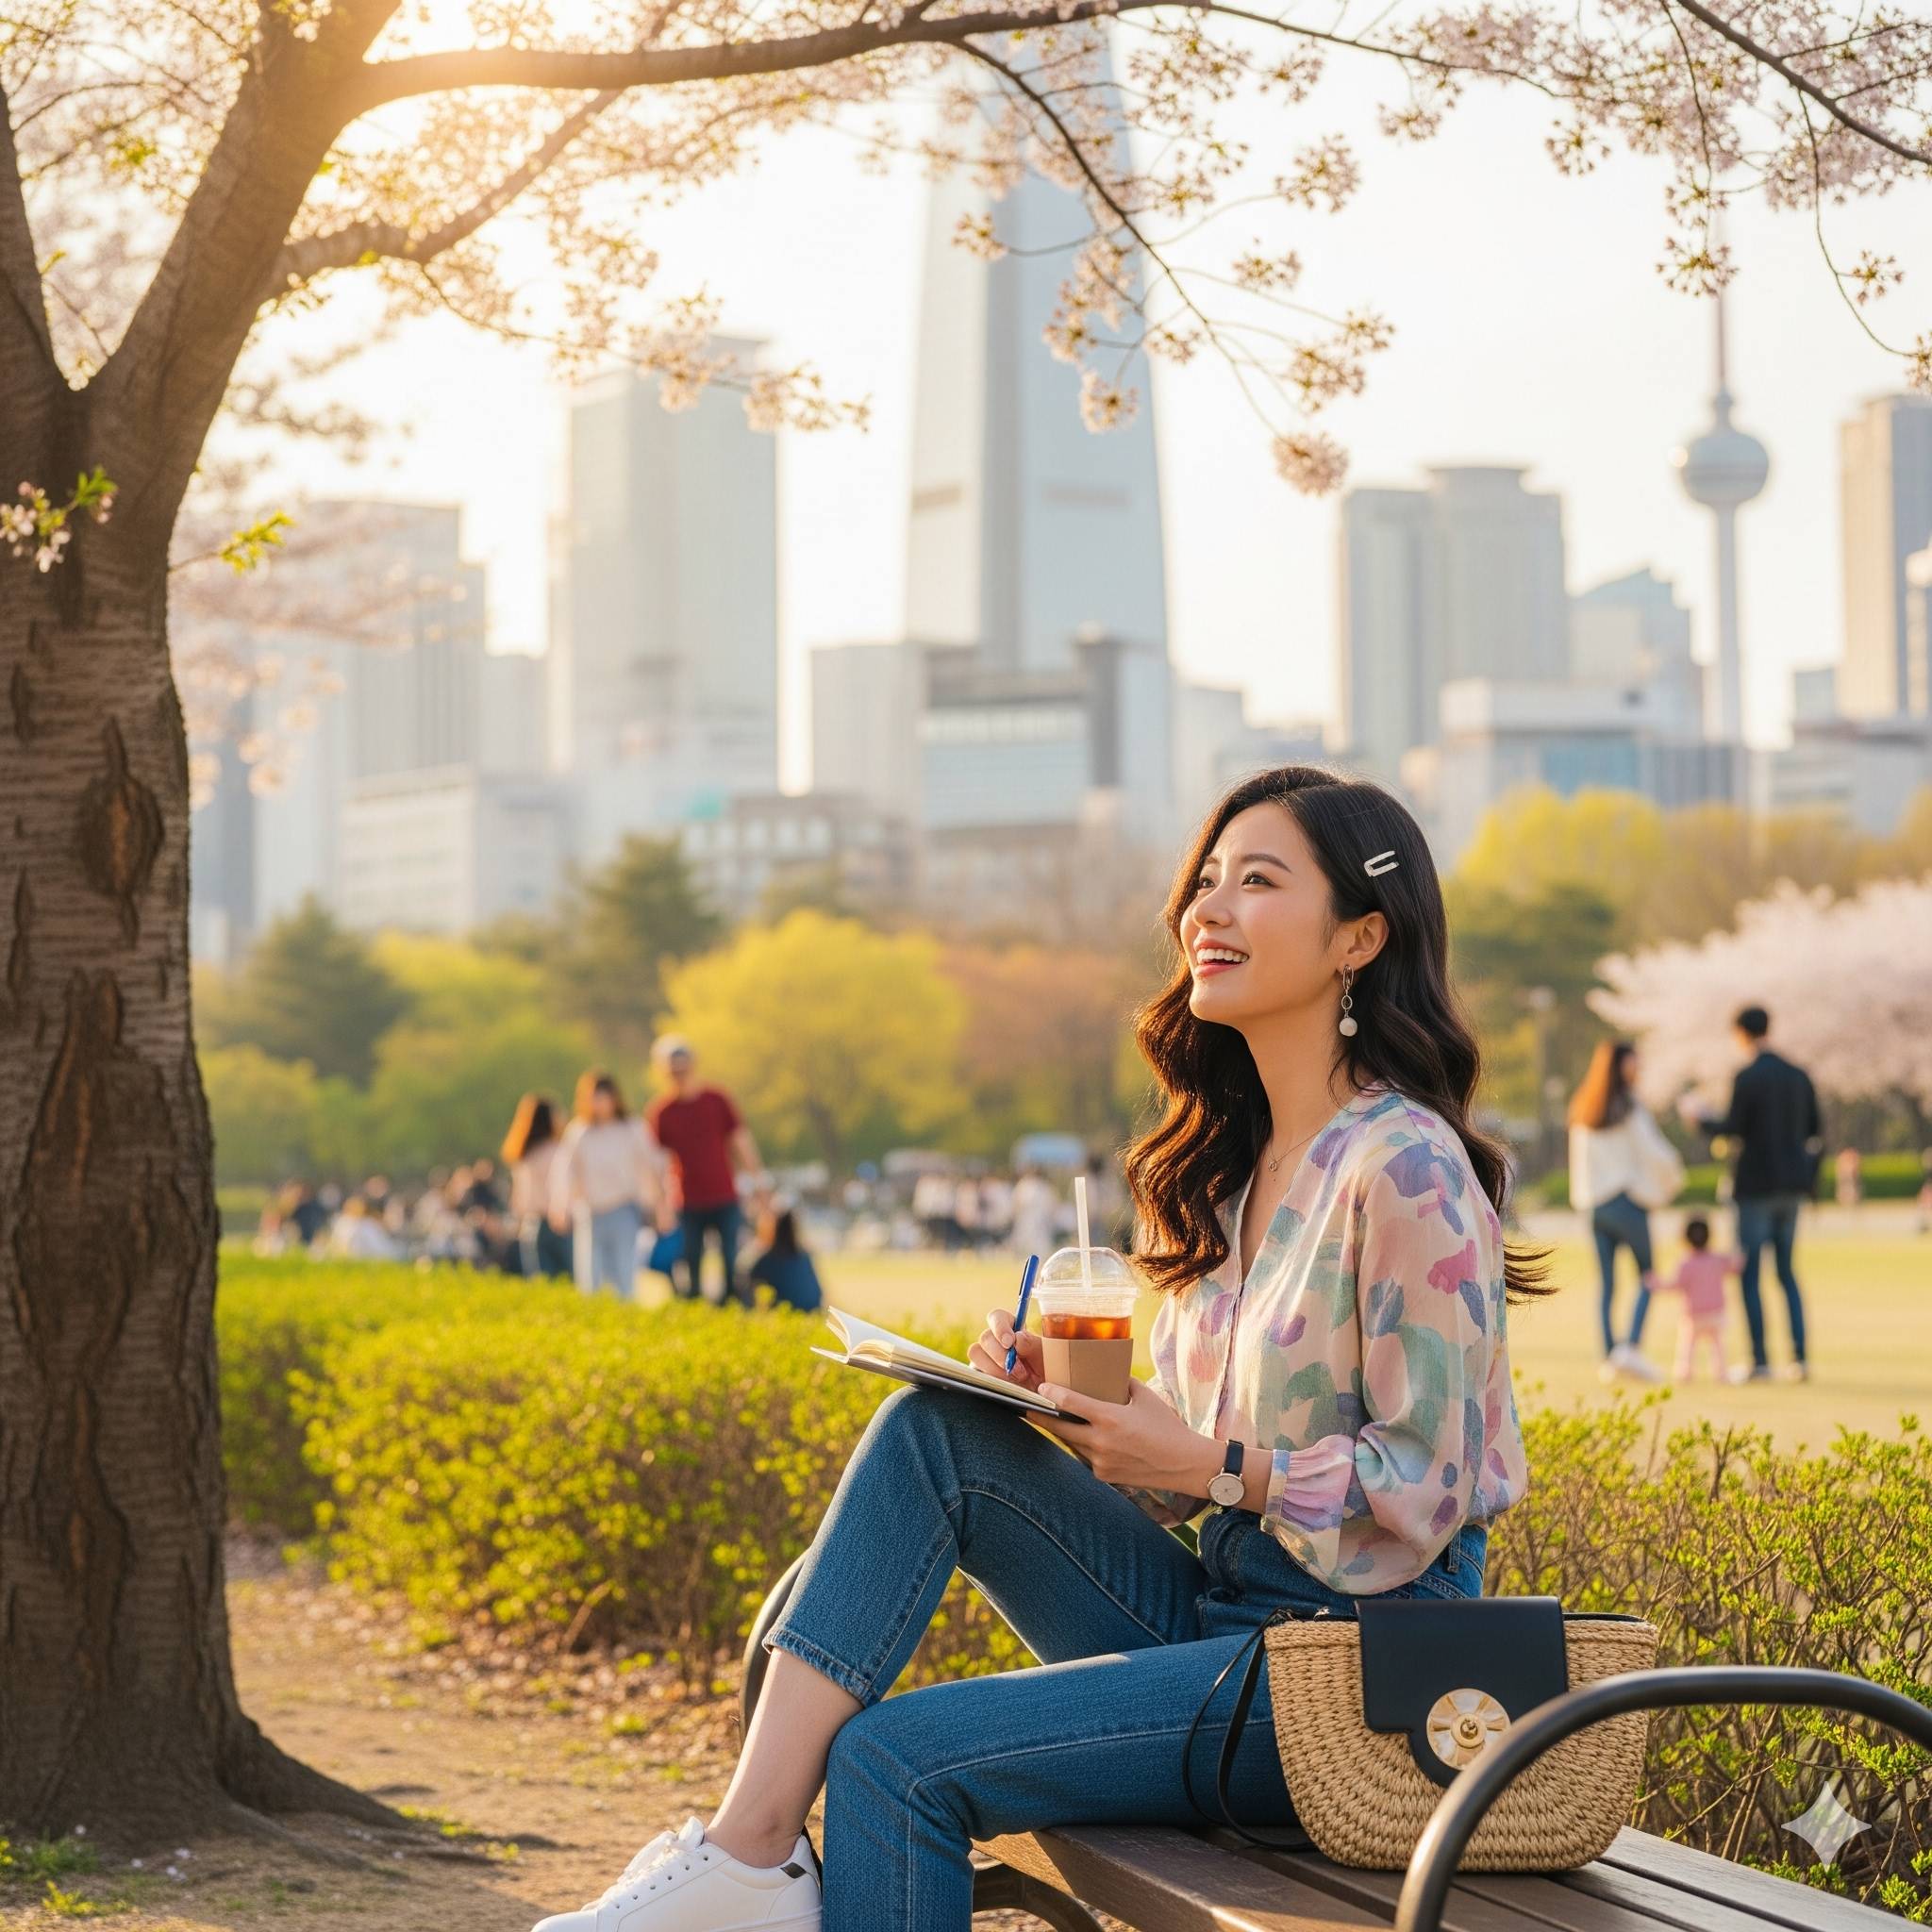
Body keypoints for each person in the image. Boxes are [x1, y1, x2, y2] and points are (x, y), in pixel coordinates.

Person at [527, 764, 1541, 1932]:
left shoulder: (1405, 1167)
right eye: (1203, 879)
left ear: (1358, 935)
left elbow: (1432, 1488)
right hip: (1222, 1615)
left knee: (892, 1761)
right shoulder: (1230, 1171)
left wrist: (1212, 1465)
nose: (1206, 909)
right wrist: (1081, 1416)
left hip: (1352, 1675)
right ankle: (748, 1851)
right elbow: (1195, 1463)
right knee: (939, 1429)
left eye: (1255, 881)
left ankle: (746, 1861)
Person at [1678, 1006, 1822, 1382]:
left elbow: (1732, 1127)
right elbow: (1815, 1131)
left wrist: (1701, 1119)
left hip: (1755, 1187)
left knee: (1751, 1273)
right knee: (1787, 1272)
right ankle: (1800, 1358)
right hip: (1792, 1188)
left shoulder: (1748, 1076)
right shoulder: (1799, 1075)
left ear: (1741, 1033)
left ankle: (1760, 1360)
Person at [1567, 1040, 1682, 1384]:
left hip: (1594, 1205)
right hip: (1626, 1203)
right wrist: (1673, 1181)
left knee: (1607, 1285)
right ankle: (1629, 1347)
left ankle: (1609, 1358)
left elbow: (1578, 1161)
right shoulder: (1629, 1106)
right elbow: (1655, 1153)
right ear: (1622, 1066)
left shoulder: (1584, 1106)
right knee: (1648, 1275)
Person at [648, 1037, 766, 1307]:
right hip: (687, 1199)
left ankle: (731, 1305)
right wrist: (660, 1203)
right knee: (691, 1258)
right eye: (673, 1069)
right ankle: (696, 1305)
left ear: (693, 1065)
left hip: (724, 1194)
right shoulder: (662, 1111)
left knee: (730, 1256)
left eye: (683, 1067)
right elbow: (656, 1162)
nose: (679, 1074)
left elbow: (741, 1142)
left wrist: (759, 1184)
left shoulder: (717, 1099)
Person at [550, 1071, 665, 1301]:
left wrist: (659, 1204)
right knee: (590, 1275)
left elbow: (652, 1166)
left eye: (604, 1097)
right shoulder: (579, 1131)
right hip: (591, 1211)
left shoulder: (632, 1128)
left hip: (624, 1207)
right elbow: (565, 1171)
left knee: (624, 1272)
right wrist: (561, 1205)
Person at [1660, 1216, 1740, 1385]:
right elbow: (1736, 1265)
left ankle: (1685, 1371)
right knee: (1718, 1345)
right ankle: (1721, 1372)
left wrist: (1655, 1283)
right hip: (1716, 1312)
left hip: (1694, 1314)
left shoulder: (1686, 1263)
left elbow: (1675, 1284)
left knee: (1688, 1344)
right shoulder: (1718, 1260)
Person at [503, 1094, 573, 1280]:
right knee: (569, 1282)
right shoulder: (559, 1151)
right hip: (559, 1225)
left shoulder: (523, 1155)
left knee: (540, 1283)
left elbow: (518, 1200)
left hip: (531, 1226)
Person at [747, 1205, 824, 1313]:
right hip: (814, 1309)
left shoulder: (769, 1258)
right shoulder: (804, 1256)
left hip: (787, 1311)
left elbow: (749, 1278)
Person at [1009, 1166, 1058, 1260]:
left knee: (1037, 1243)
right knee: (1026, 1242)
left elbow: (1051, 1205)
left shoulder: (1038, 1186)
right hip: (1029, 1219)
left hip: (1037, 1219)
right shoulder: (1026, 1185)